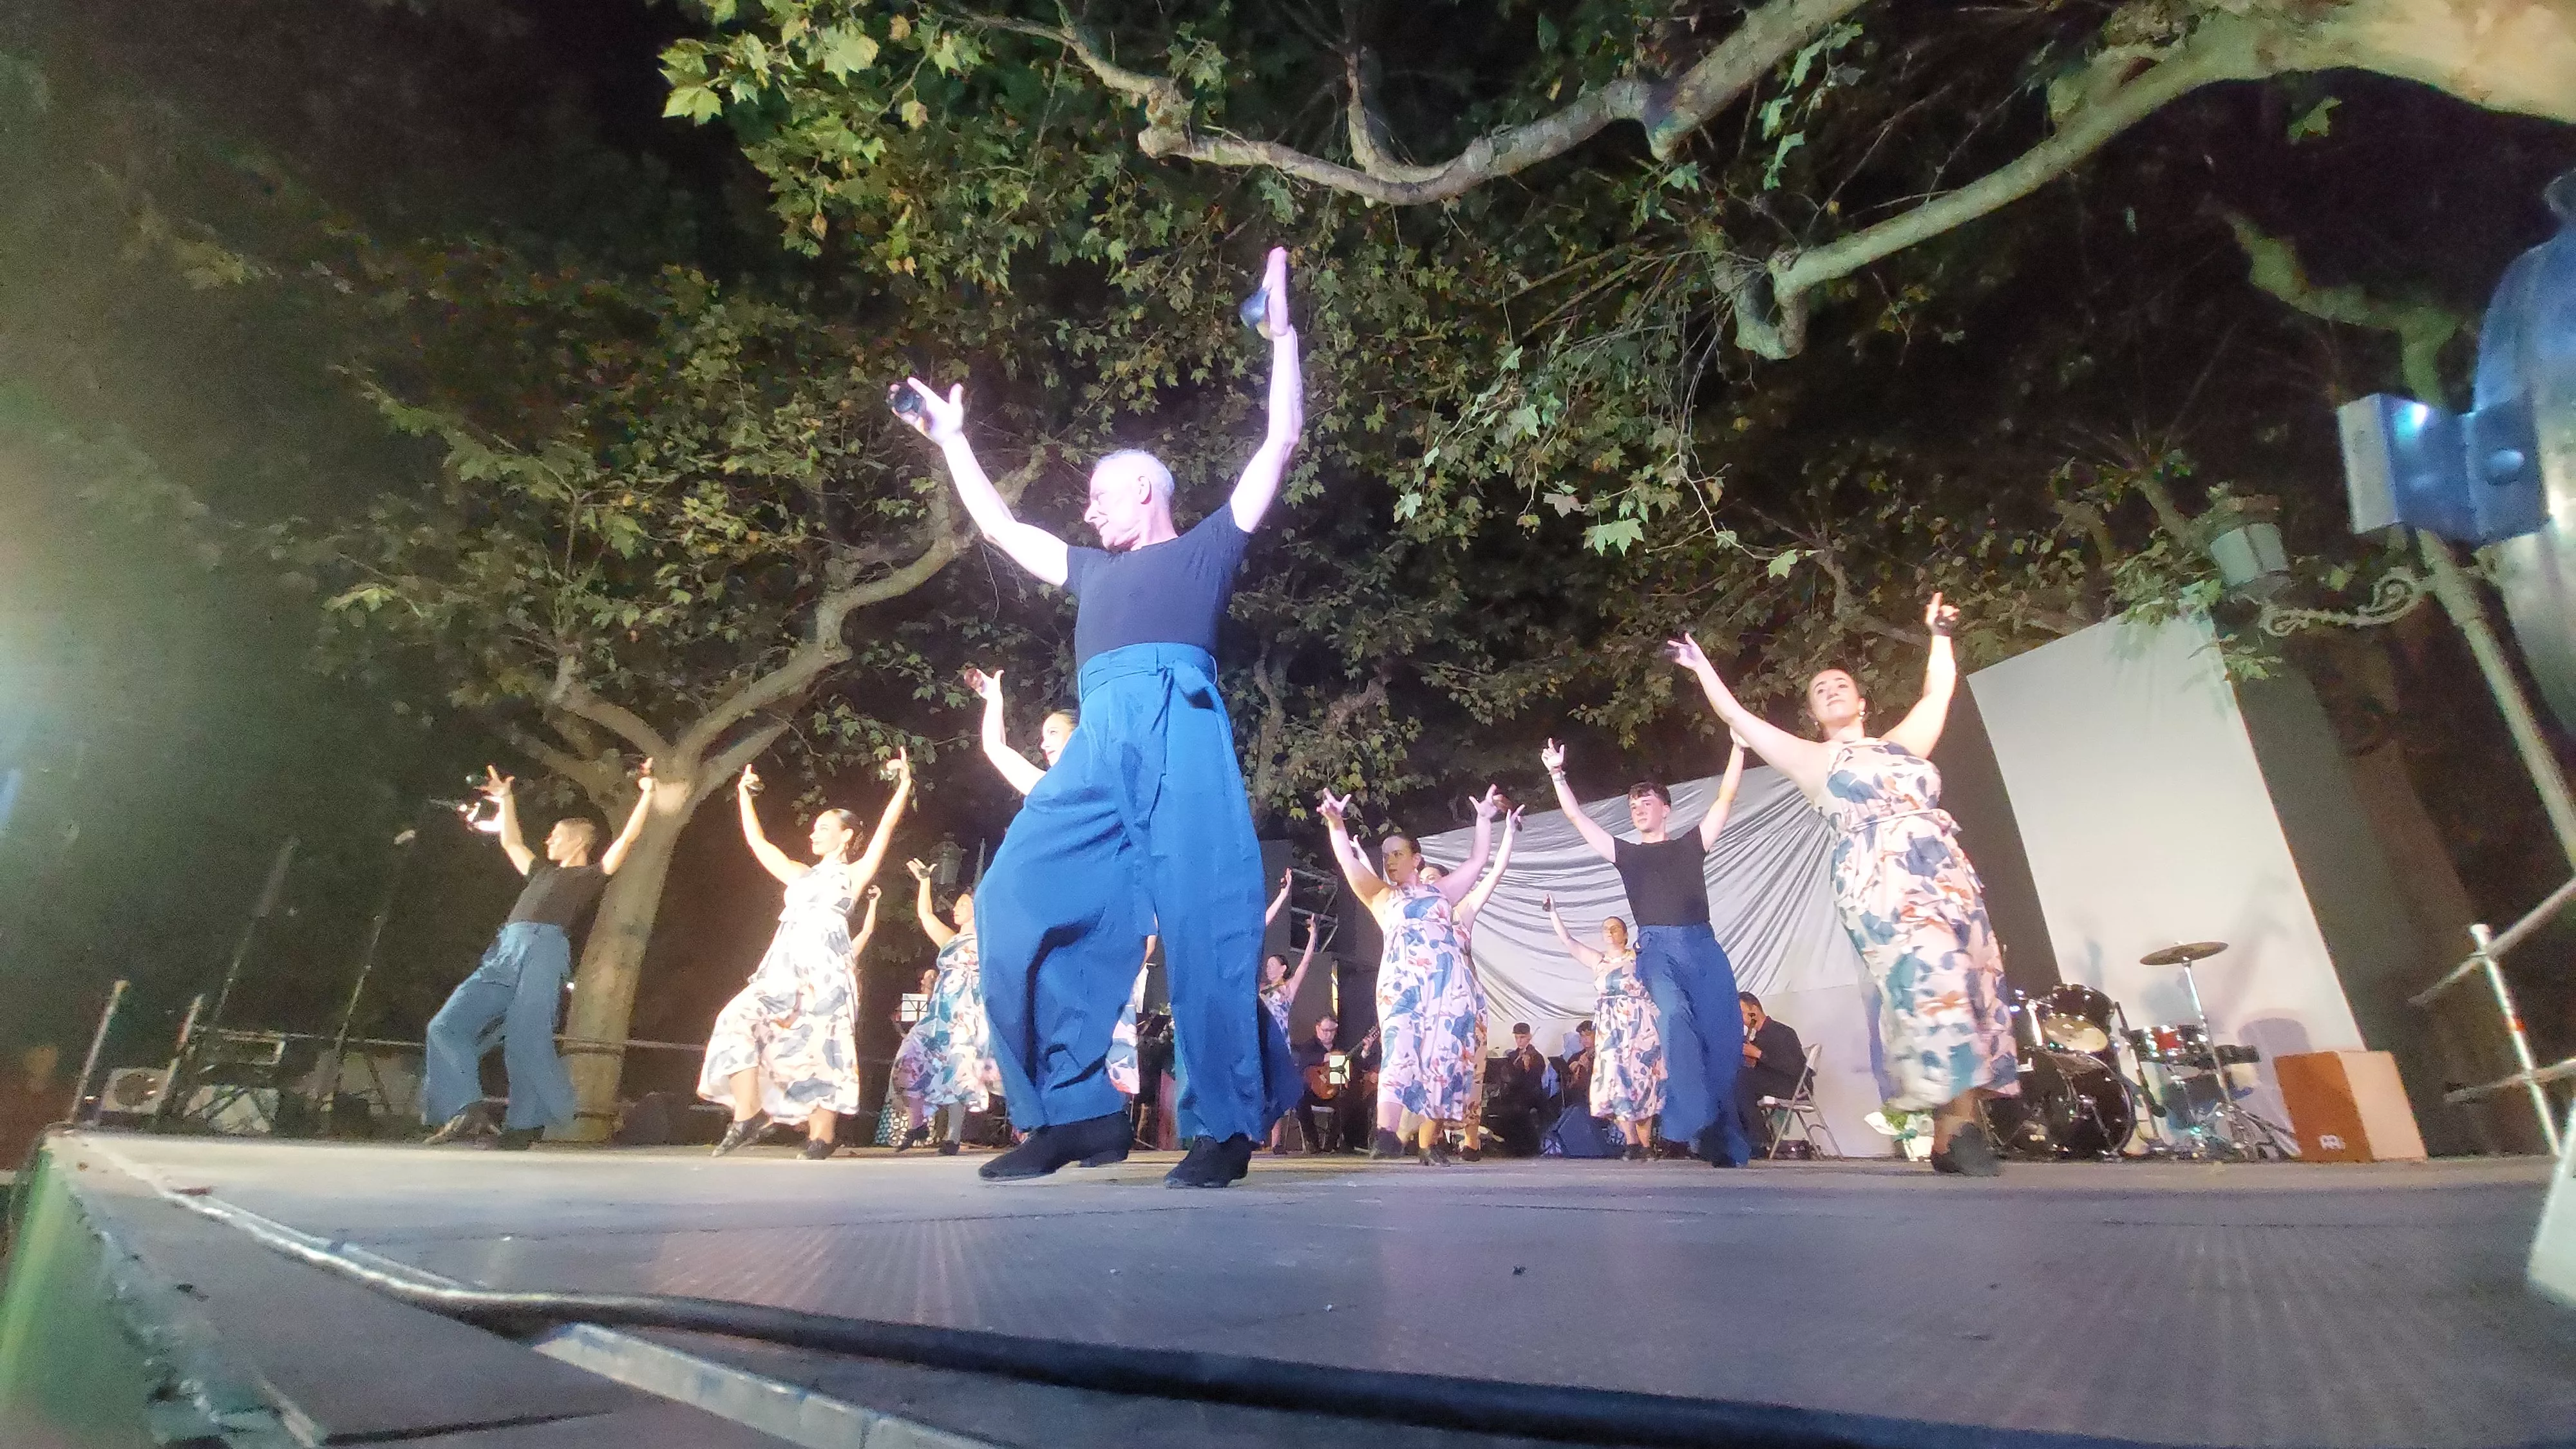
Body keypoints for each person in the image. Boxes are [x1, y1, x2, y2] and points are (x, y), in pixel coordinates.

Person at [899, 247, 1306, 1188]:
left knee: (1204, 922)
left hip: (1178, 725)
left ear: (1146, 491)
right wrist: (953, 442)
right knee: (1012, 899)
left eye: (1098, 494)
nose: (1087, 510)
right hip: (1098, 742)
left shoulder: (1207, 549)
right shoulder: (1089, 570)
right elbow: (1002, 529)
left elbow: (1280, 438)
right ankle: (1075, 1113)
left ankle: (1225, 1126)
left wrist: (1282, 338)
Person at [1667, 595, 2019, 1175]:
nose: (1830, 689)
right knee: (1933, 975)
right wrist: (1702, 667)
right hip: (1880, 878)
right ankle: (1955, 1128)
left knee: (1973, 979)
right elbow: (1740, 718)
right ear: (1812, 713)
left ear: (1862, 702)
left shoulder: (1900, 747)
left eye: (1840, 684)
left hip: (1945, 870)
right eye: (1819, 689)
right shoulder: (1813, 759)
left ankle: (1952, 1130)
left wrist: (1939, 636)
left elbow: (1937, 694)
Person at [1539, 734, 1750, 1167]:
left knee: (1722, 1039)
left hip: (1702, 946)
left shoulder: (1691, 844)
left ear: (1665, 809)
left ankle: (1717, 1135)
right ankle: (1686, 1120)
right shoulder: (1627, 855)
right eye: (1633, 806)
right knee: (1673, 1018)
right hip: (1657, 949)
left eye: (1646, 803)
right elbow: (1577, 818)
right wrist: (1557, 774)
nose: (1638, 810)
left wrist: (1739, 748)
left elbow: (1725, 798)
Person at [424, 762, 654, 1148]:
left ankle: (524, 1126)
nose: (548, 840)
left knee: (526, 1037)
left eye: (556, 836)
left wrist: (647, 794)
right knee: (445, 1026)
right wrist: (506, 799)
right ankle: (466, 1109)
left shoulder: (590, 875)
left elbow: (628, 840)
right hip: (505, 951)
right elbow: (511, 842)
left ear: (578, 842)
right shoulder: (541, 872)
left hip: (543, 950)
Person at [699, 757, 907, 1158]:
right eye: (815, 828)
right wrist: (744, 797)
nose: (814, 833)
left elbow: (885, 827)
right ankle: (748, 1112)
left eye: (824, 828)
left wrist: (903, 785)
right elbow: (759, 843)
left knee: (824, 1046)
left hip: (828, 970)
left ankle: (822, 1136)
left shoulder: (854, 874)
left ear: (846, 836)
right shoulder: (799, 873)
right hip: (784, 967)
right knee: (736, 1017)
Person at [1318, 786, 1497, 1165]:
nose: (1390, 862)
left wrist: (1483, 821)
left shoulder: (1441, 892)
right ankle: (1386, 1133)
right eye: (1385, 856)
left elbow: (1478, 860)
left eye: (1397, 854)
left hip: (1446, 987)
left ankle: (1429, 1139)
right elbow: (1349, 862)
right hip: (1402, 985)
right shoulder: (1381, 896)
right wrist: (1336, 824)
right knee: (1398, 1047)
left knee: (1439, 1059)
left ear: (1417, 859)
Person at [1417, 813, 1519, 1162]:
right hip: (1431, 1004)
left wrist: (1508, 834)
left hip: (1465, 1003)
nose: (1428, 884)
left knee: (1470, 1071)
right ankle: (1428, 1142)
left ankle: (1471, 1141)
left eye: (1434, 879)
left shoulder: (1462, 913)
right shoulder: (1413, 919)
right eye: (1423, 880)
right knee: (1434, 1070)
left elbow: (1494, 874)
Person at [1544, 902, 1665, 1159]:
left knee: (1641, 1081)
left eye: (1614, 929)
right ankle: (1631, 1143)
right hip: (1610, 1029)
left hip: (1638, 1026)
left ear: (1625, 934)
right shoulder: (1599, 960)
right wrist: (1553, 913)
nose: (1609, 933)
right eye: (1605, 929)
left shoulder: (1637, 957)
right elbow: (1568, 941)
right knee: (1615, 1080)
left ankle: (1645, 1144)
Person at [895, 859, 1000, 1156]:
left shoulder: (990, 942)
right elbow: (926, 915)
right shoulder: (951, 940)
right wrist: (925, 883)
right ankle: (917, 1123)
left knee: (960, 1070)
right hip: (940, 1012)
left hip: (967, 1014)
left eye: (963, 905)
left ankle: (952, 1137)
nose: (956, 908)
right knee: (909, 1057)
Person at [1737, 992, 1808, 1154]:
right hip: (1774, 1083)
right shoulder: (1757, 1037)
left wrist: (1758, 1054)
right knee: (1735, 1083)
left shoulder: (1782, 1032)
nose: (1741, 1019)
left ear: (1754, 1010)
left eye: (1742, 1013)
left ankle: (1761, 1140)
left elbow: (1794, 1067)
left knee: (1742, 1080)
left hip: (1794, 1086)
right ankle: (1748, 1139)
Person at [1482, 1021, 1553, 1157]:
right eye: (1517, 1038)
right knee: (1493, 1106)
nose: (1519, 1041)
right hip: (1513, 1094)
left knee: (1517, 1108)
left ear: (1529, 1037)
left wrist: (1527, 1068)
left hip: (1531, 1095)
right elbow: (1506, 1077)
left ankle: (1525, 1146)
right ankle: (1504, 1142)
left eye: (1522, 1037)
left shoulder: (1536, 1057)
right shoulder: (1512, 1056)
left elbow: (1534, 1080)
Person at [1289, 1014, 1350, 1154]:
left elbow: (1352, 1066)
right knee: (1300, 1099)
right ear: (1317, 1029)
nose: (1329, 1034)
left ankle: (1331, 1144)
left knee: (1347, 1100)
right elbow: (1304, 1062)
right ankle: (1312, 1142)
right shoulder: (1309, 1046)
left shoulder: (1341, 1047)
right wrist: (1325, 1057)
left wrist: (1365, 1051)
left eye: (1332, 1031)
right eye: (1325, 1030)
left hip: (1333, 1091)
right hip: (1313, 1092)